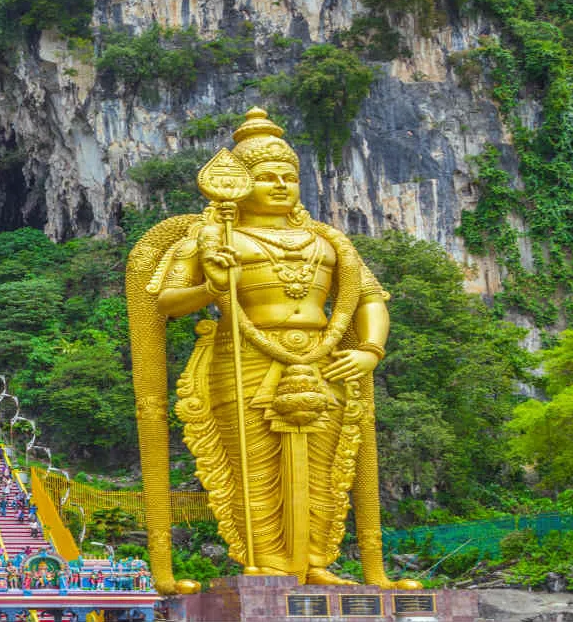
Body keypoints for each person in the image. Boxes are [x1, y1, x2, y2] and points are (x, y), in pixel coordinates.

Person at [132, 108, 416, 590]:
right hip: (243, 353)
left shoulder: (328, 241)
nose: (281, 185)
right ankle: (264, 562)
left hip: (324, 356)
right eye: (266, 177)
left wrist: (370, 349)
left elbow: (368, 297)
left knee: (328, 466)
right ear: (239, 184)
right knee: (253, 465)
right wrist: (212, 287)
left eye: (290, 176)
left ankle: (317, 562)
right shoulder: (211, 237)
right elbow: (165, 301)